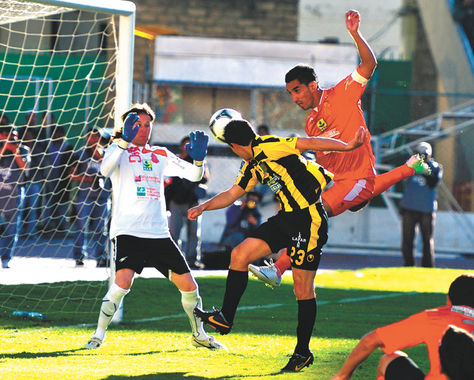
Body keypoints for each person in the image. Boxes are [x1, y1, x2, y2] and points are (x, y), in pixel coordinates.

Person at [249, 9, 431, 288]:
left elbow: (369, 64)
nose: (294, 98)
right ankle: (283, 267)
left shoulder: (343, 94)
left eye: (297, 90)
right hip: (341, 182)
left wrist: (355, 34)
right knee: (306, 213)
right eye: (290, 93)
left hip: (356, 179)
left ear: (313, 85)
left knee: (312, 214)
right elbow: (331, 167)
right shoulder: (311, 124)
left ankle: (279, 268)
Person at [189, 118, 366, 371]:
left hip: (309, 219)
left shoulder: (272, 146)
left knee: (303, 289)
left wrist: (348, 146)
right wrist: (204, 207)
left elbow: (310, 142)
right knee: (240, 254)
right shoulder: (251, 166)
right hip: (286, 218)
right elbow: (232, 194)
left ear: (236, 145)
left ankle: (302, 353)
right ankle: (225, 317)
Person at [84, 103, 224, 350]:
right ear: (126, 126)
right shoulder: (117, 149)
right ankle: (98, 335)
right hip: (128, 232)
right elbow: (105, 171)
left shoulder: (159, 154)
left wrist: (199, 160)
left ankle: (199, 335)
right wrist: (124, 142)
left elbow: (193, 175)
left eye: (147, 124)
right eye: (137, 124)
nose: (143, 129)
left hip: (159, 234)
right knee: (122, 285)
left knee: (190, 286)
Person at [330, 273, 474, 380]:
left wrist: (342, 375)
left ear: (449, 301)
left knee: (389, 359)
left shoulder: (436, 318)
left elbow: (370, 341)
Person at [165, 135, 210, 268]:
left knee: (193, 233)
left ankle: (192, 259)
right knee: (174, 232)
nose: (188, 148)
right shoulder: (177, 160)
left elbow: (205, 178)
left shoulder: (198, 161)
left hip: (192, 202)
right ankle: (174, 260)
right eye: (185, 145)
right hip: (176, 201)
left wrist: (197, 161)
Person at [70, 128, 110, 267]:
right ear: (86, 138)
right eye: (91, 137)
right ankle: (79, 256)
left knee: (100, 229)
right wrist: (88, 179)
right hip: (84, 196)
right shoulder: (80, 154)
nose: (94, 140)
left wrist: (98, 155)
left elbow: (110, 170)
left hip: (102, 196)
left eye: (96, 137)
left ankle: (101, 257)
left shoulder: (105, 153)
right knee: (81, 227)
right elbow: (72, 175)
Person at [399, 142, 443, 267]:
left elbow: (433, 182)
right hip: (409, 207)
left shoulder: (435, 167)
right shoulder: (411, 165)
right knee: (407, 239)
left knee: (427, 240)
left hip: (426, 209)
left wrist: (425, 170)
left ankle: (428, 265)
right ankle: (408, 265)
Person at [0, 124, 29, 268]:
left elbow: (24, 168)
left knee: (12, 228)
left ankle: (6, 258)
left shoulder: (23, 149)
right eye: (8, 135)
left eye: (14, 135)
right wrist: (4, 147)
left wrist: (14, 150)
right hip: (1, 193)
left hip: (15, 193)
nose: (12, 138)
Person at [43, 125, 78, 233]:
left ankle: (61, 226)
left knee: (62, 203)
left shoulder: (68, 147)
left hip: (63, 181)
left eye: (59, 133)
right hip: (49, 180)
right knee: (49, 202)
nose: (57, 136)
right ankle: (48, 225)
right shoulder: (48, 147)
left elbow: (73, 162)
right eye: (55, 134)